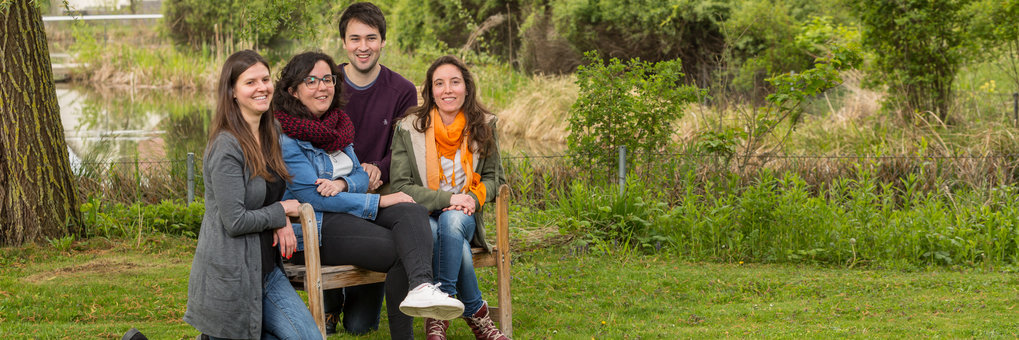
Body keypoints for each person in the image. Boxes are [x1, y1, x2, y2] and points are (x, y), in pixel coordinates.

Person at [272, 51, 464, 339]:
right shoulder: (285, 136)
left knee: (410, 210)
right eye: (311, 81)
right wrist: (379, 200)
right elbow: (311, 198)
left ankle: (423, 287)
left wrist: (345, 184)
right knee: (398, 246)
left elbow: (362, 174)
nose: (322, 87)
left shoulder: (336, 125)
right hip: (314, 227)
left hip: (346, 211)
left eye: (328, 79)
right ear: (293, 90)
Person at [183, 50, 319, 339]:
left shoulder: (271, 131)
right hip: (233, 275)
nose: (262, 88)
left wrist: (278, 218)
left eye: (266, 79)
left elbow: (267, 194)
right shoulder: (226, 147)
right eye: (250, 82)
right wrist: (280, 212)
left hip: (267, 271)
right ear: (232, 91)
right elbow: (235, 221)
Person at [317, 2, 422, 334]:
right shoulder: (326, 84)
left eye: (371, 38)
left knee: (361, 327)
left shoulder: (402, 90)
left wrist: (379, 167)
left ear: (382, 41)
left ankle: (394, 298)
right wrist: (353, 178)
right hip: (334, 197)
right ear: (344, 43)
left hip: (381, 194)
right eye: (355, 38)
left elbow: (408, 148)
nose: (363, 47)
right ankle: (330, 306)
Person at [390, 55, 510, 340]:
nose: (447, 90)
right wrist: (449, 199)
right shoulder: (409, 128)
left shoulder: (484, 125)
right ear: (431, 91)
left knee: (453, 222)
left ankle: (437, 313)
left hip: (465, 215)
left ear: (466, 88)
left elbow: (496, 180)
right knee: (445, 235)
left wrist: (472, 198)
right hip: (421, 217)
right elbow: (401, 186)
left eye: (455, 82)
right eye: (439, 83)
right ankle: (477, 316)